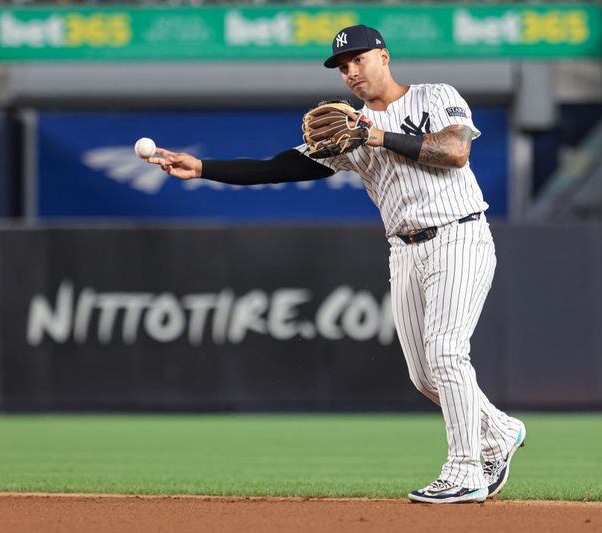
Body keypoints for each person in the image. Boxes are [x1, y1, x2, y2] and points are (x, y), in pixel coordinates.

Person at [147, 24, 526, 504]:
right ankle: (499, 430)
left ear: (384, 57)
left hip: (459, 233)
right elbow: (277, 167)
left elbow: (455, 152)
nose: (351, 71)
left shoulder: (433, 95)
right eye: (343, 66)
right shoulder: (345, 133)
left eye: (358, 59)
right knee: (425, 376)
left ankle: (465, 468)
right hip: (405, 248)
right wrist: (202, 168)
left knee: (447, 352)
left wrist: (374, 134)